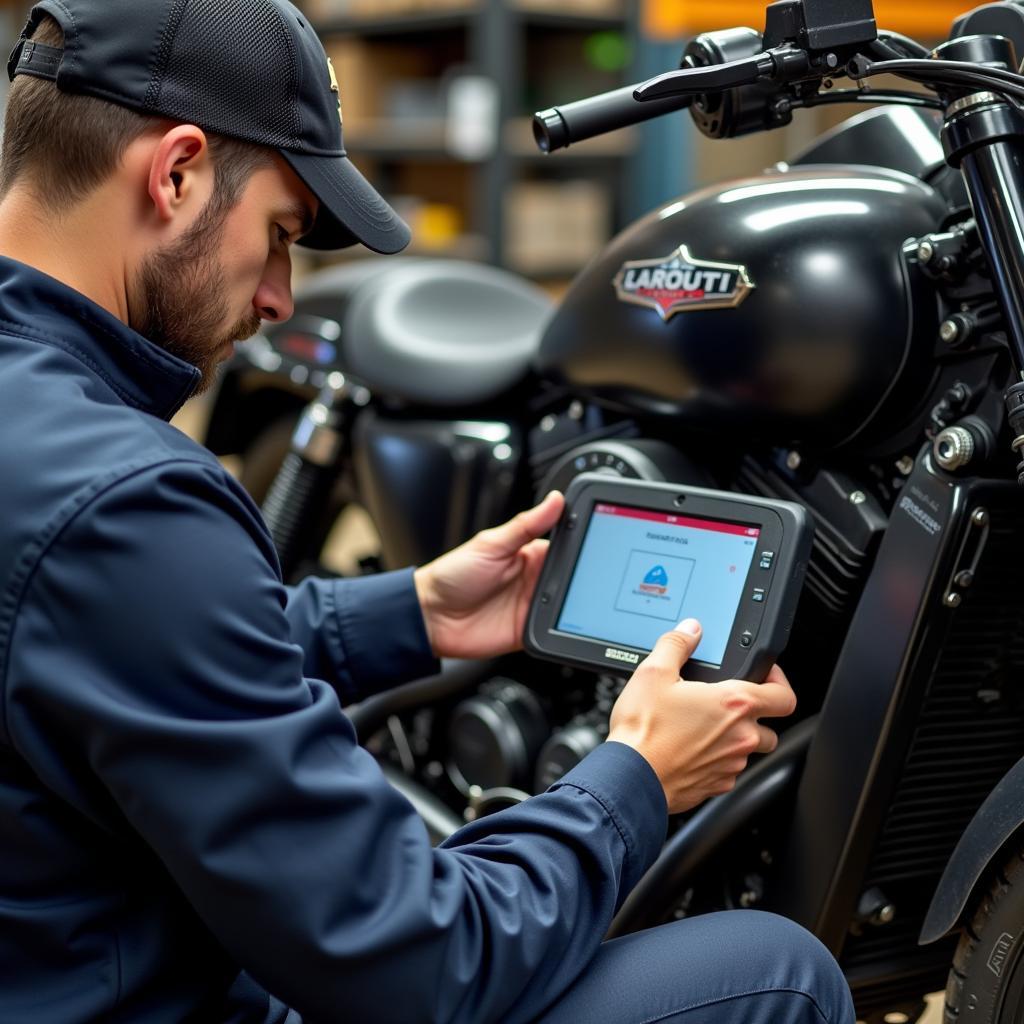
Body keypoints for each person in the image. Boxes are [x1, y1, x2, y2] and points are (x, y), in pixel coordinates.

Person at [0, 1, 855, 1022]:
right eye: (279, 235)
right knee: (775, 972)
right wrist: (633, 777)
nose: (280, 295)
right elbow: (422, 962)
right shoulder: (132, 502)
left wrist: (411, 615)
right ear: (174, 171)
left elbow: (120, 653)